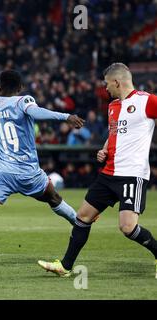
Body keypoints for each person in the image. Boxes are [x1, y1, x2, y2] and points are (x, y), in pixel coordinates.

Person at [0, 70, 85, 271]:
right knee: (54, 199)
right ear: (20, 88)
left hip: (3, 172)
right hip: (28, 171)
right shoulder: (24, 101)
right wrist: (65, 117)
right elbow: (36, 112)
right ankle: (80, 224)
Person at [38, 63, 157, 277]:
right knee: (83, 216)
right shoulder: (112, 106)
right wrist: (104, 150)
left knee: (127, 227)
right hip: (109, 174)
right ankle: (65, 266)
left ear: (117, 82)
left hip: (132, 174)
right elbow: (113, 134)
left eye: (106, 84)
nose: (105, 88)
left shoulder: (147, 101)